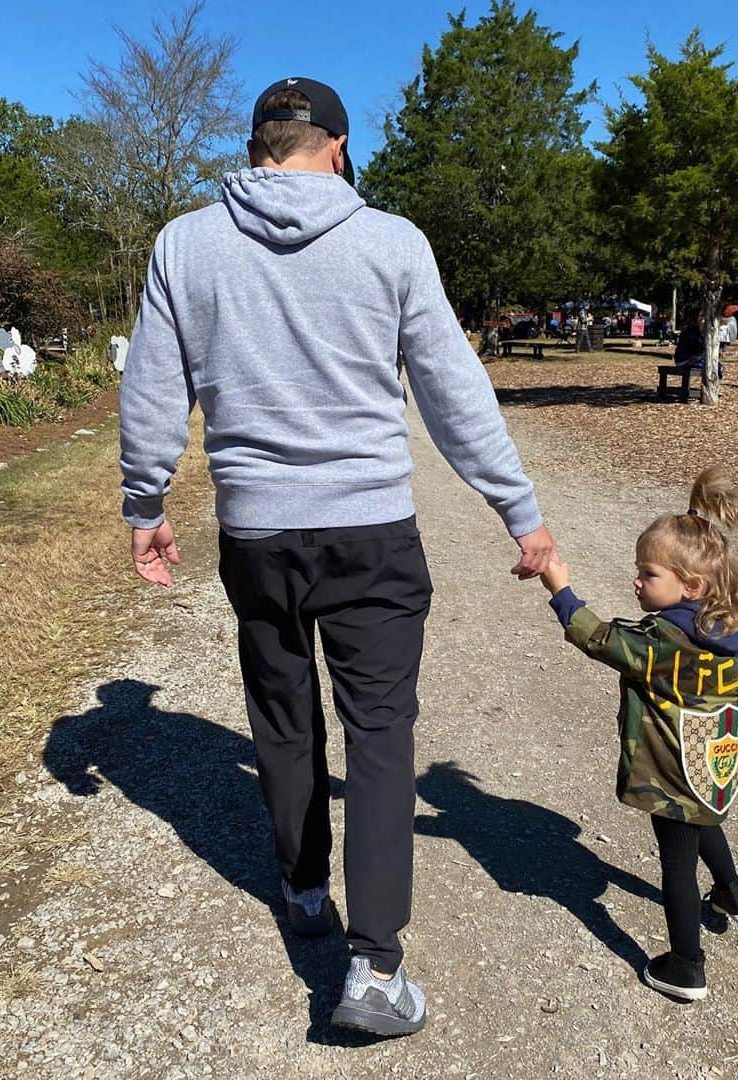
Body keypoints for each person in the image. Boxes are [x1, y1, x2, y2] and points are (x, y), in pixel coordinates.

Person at [118, 76, 558, 1038]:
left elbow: (153, 385)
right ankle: (374, 965)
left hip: (258, 531)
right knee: (381, 734)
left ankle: (306, 891)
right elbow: (452, 388)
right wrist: (517, 511)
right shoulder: (391, 242)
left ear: (256, 146)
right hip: (371, 532)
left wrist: (145, 502)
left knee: (281, 715)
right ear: (341, 147)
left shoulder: (186, 244)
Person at [539, 466, 738, 1001]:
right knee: (703, 811)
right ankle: (732, 894)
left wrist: (562, 591)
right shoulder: (726, 624)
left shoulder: (663, 639)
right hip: (714, 759)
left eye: (648, 573)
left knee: (676, 865)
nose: (636, 581)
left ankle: (686, 966)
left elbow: (601, 640)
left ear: (691, 585)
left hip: (671, 765)